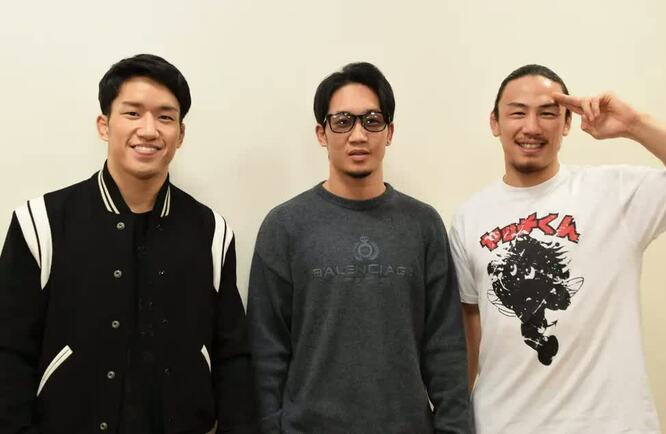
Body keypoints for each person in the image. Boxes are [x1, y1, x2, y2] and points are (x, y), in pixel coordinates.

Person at [0, 54, 258, 434]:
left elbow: (232, 358)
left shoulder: (212, 232)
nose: (149, 130)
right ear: (104, 125)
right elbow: (9, 354)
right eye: (133, 113)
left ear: (181, 134)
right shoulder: (40, 223)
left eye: (165, 117)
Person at [449, 63, 666, 433]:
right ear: (494, 123)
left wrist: (634, 124)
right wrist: (455, 419)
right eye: (517, 113)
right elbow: (470, 325)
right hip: (502, 423)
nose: (532, 127)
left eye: (548, 113)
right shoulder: (469, 217)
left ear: (567, 123)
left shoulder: (615, 193)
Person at [247, 62, 473, 434]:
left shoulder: (423, 225)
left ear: (389, 132)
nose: (358, 135)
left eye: (371, 121)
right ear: (321, 133)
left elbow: (445, 346)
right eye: (342, 122)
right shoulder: (285, 226)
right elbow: (266, 350)